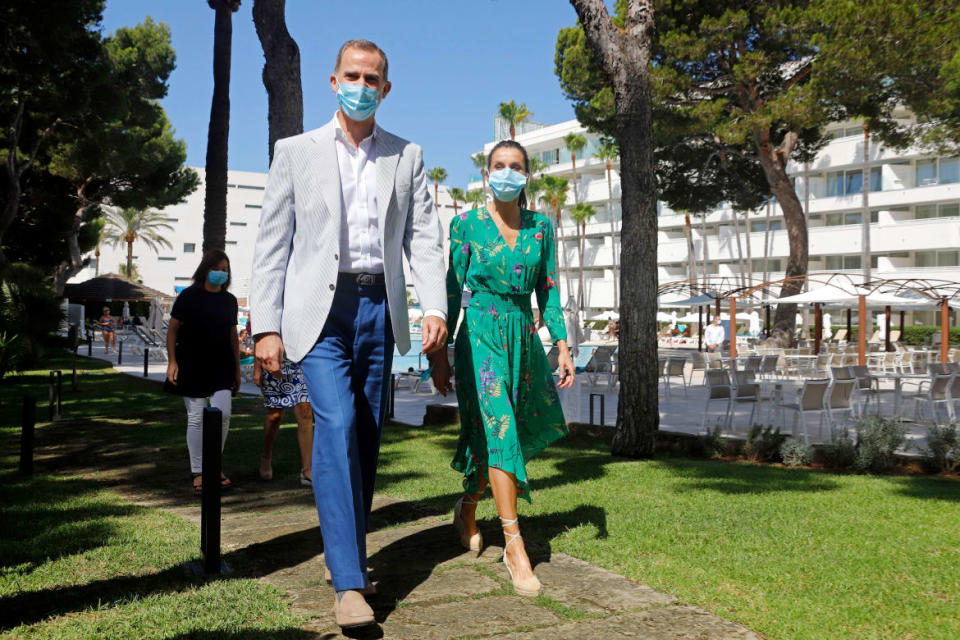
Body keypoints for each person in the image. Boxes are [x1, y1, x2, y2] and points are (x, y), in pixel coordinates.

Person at [250, 39, 447, 629]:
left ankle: (348, 559)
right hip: (317, 311)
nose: (361, 85)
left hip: (378, 309)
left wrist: (433, 304)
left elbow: (424, 238)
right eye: (352, 75)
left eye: (373, 78)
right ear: (334, 82)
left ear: (385, 89)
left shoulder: (405, 155)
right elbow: (271, 244)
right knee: (333, 426)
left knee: (364, 438)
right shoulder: (295, 151)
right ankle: (350, 584)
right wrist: (266, 326)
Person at [431, 140, 576, 597]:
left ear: (527, 176)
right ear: (486, 173)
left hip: (522, 338)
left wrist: (563, 344)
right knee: (501, 430)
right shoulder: (465, 225)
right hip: (479, 337)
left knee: (494, 435)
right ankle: (515, 546)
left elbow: (548, 291)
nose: (507, 173)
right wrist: (437, 354)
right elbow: (452, 292)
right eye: (499, 166)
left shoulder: (540, 228)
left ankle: (468, 506)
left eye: (516, 167)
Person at [164, 249, 240, 495]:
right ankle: (199, 472)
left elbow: (233, 337)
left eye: (225, 269)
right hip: (192, 364)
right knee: (196, 417)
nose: (221, 273)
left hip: (222, 366)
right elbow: (172, 330)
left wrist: (237, 371)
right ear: (205, 269)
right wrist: (172, 362)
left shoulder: (230, 300)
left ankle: (213, 466)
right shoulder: (188, 296)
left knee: (224, 414)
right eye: (217, 268)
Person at [254, 356, 314, 486]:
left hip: (301, 359)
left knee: (305, 412)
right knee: (275, 416)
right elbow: (259, 336)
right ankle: (266, 456)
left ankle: (307, 469)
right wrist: (257, 367)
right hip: (274, 358)